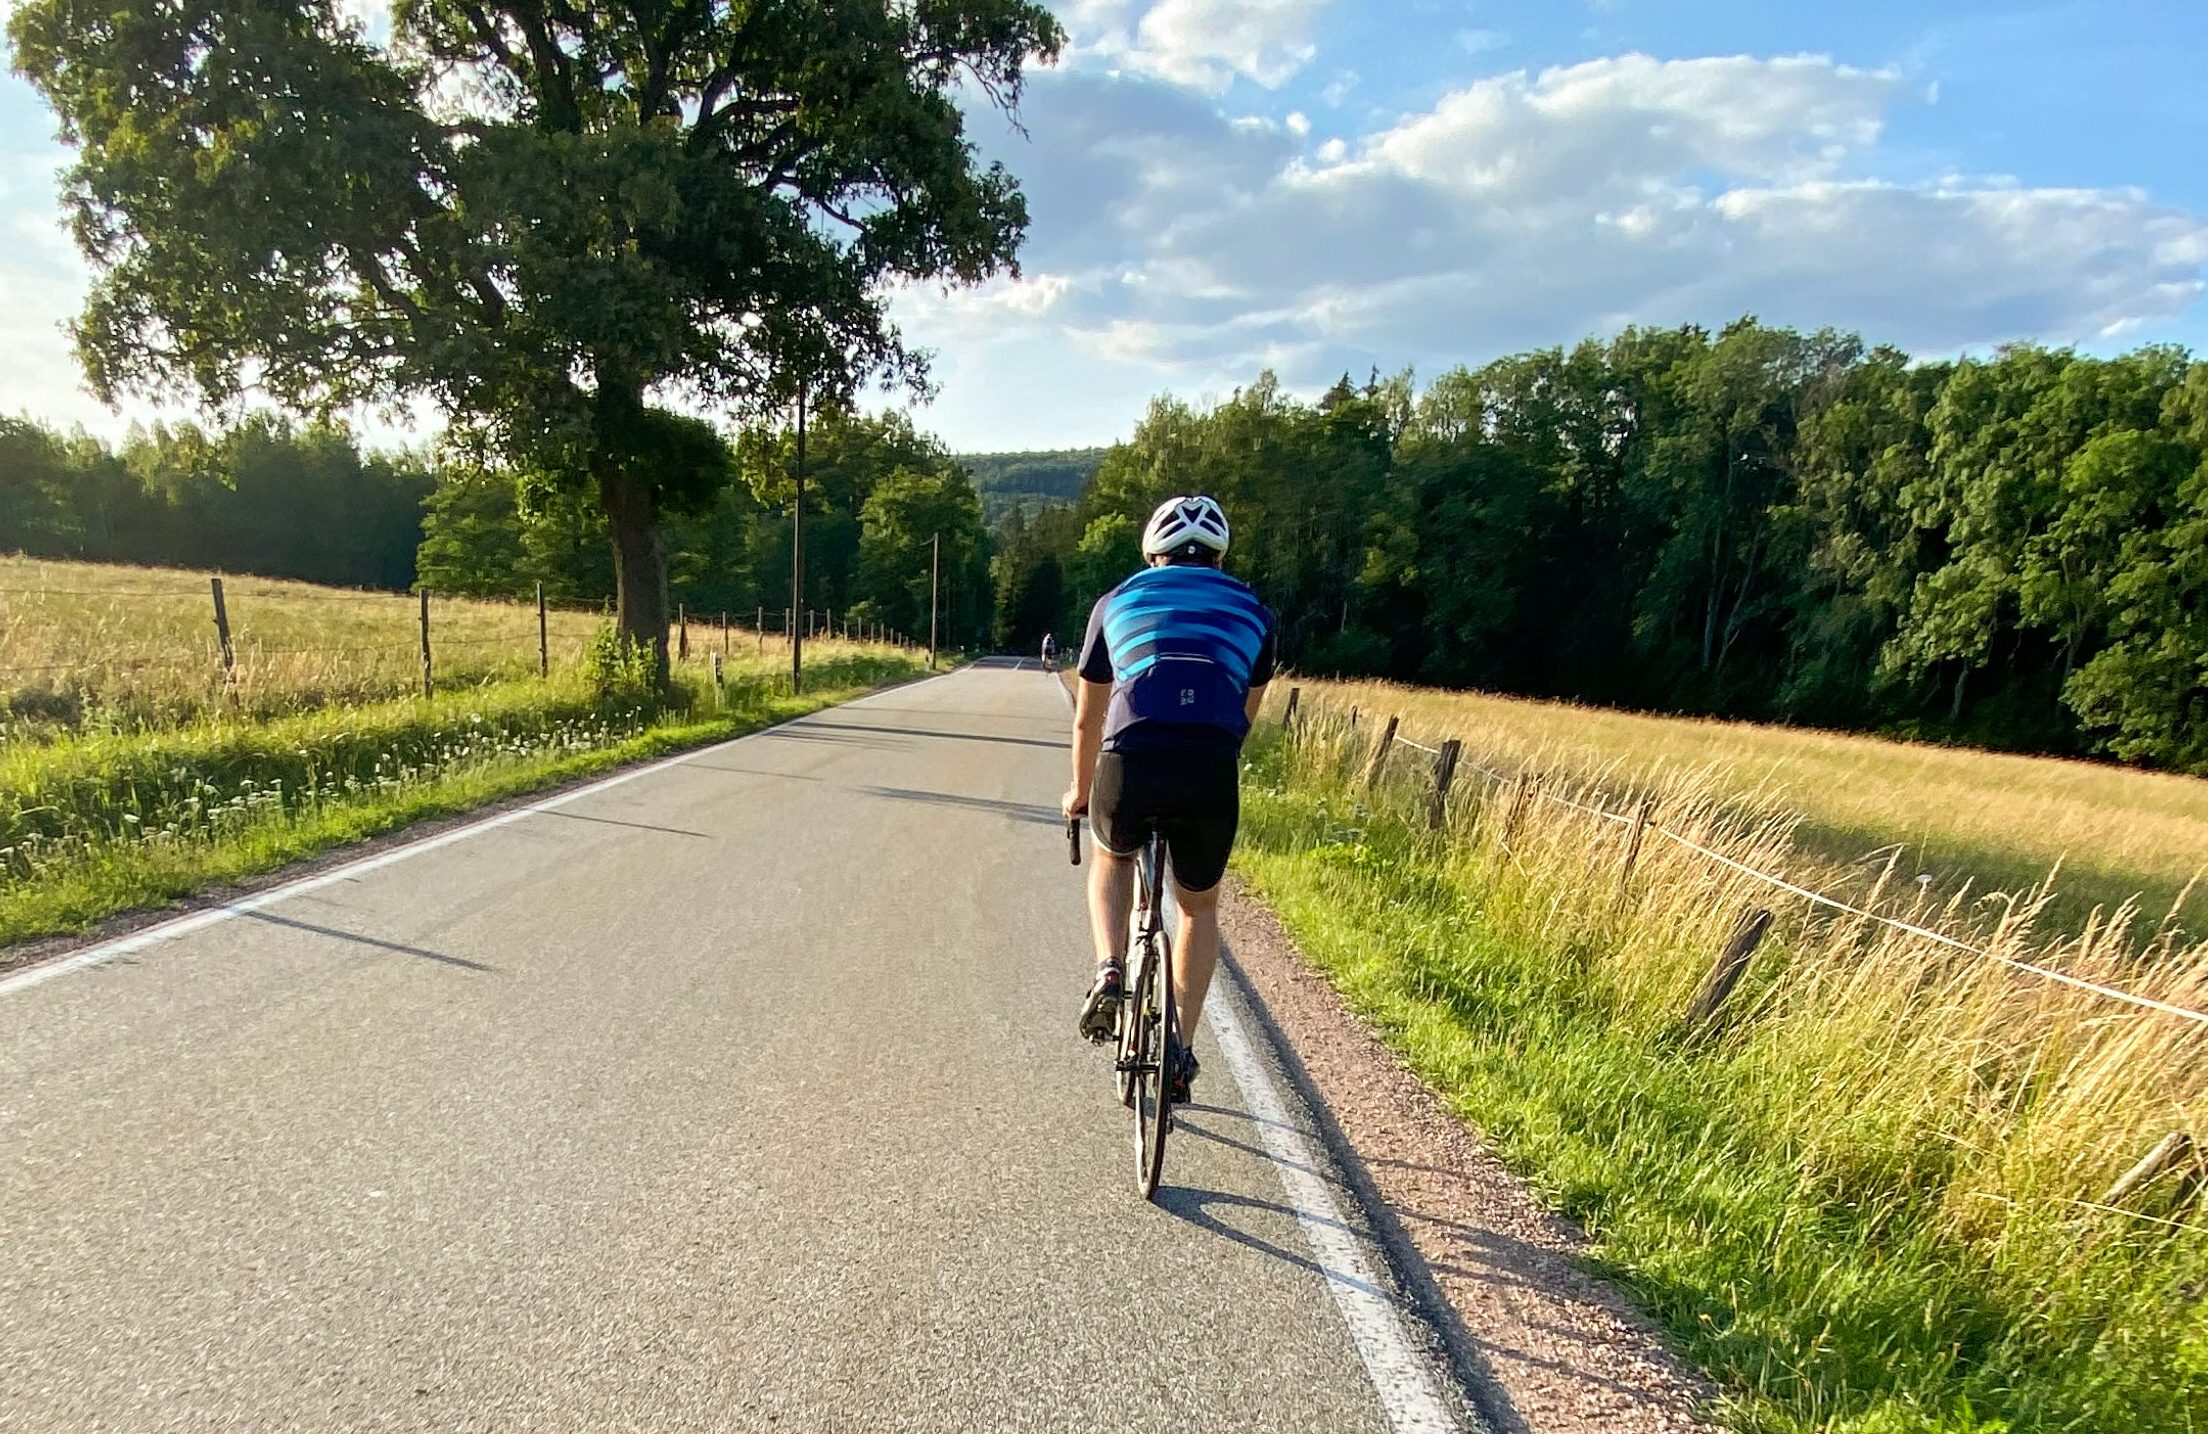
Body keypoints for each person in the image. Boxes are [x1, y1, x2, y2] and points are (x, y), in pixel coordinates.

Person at [1061, 494, 1275, 1102]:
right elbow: (1243, 716)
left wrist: (1080, 792)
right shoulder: (1255, 609)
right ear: (1218, 555)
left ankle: (1108, 968)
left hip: (1131, 758)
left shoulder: (1117, 600)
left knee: (1114, 857)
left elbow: (1088, 718)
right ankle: (1179, 1048)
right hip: (1208, 767)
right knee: (1199, 907)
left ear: (1152, 552)